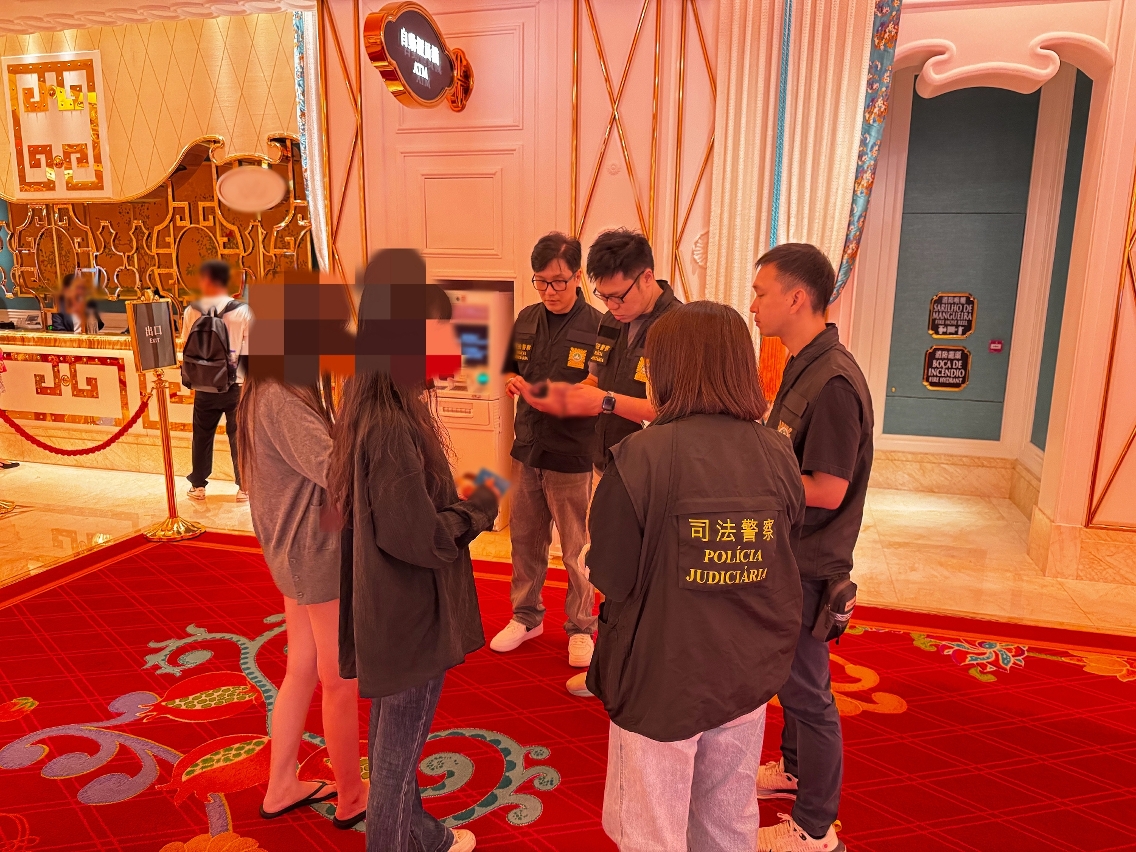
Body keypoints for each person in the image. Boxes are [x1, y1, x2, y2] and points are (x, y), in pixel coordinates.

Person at [586, 301, 805, 852]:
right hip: (746, 667)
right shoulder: (778, 453)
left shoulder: (640, 456)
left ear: (668, 369)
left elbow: (610, 574)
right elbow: (785, 548)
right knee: (728, 819)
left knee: (652, 830)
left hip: (662, 674)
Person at [329, 254, 499, 852]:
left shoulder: (376, 403)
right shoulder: (390, 423)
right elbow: (417, 538)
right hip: (406, 613)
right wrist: (476, 511)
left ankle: (424, 835)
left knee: (392, 743)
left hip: (391, 606)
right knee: (397, 758)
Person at [750, 244, 874, 852]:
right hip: (789, 552)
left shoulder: (834, 382)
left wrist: (751, 481)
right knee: (792, 681)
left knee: (808, 692)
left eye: (761, 293)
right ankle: (795, 771)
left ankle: (814, 828)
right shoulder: (804, 362)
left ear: (796, 298)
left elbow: (827, 487)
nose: (753, 306)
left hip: (810, 561)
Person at [234, 373, 368, 828]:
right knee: (339, 678)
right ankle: (351, 796)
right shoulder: (282, 393)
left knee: (303, 668)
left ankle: (281, 784)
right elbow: (335, 471)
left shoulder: (272, 386)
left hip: (297, 544)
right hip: (312, 549)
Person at [490, 233, 602, 667]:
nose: (550, 291)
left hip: (572, 453)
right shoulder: (525, 318)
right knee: (525, 540)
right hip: (527, 449)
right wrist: (513, 383)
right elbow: (508, 370)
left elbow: (597, 388)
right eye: (541, 282)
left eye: (558, 281)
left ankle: (581, 627)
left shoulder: (599, 327)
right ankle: (526, 615)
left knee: (576, 550)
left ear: (577, 276)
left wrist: (553, 397)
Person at [181, 259, 251, 502]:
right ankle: (244, 487)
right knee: (238, 436)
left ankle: (198, 485)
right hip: (236, 384)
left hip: (204, 384)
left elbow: (186, 344)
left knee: (202, 435)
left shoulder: (191, 310)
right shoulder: (242, 311)